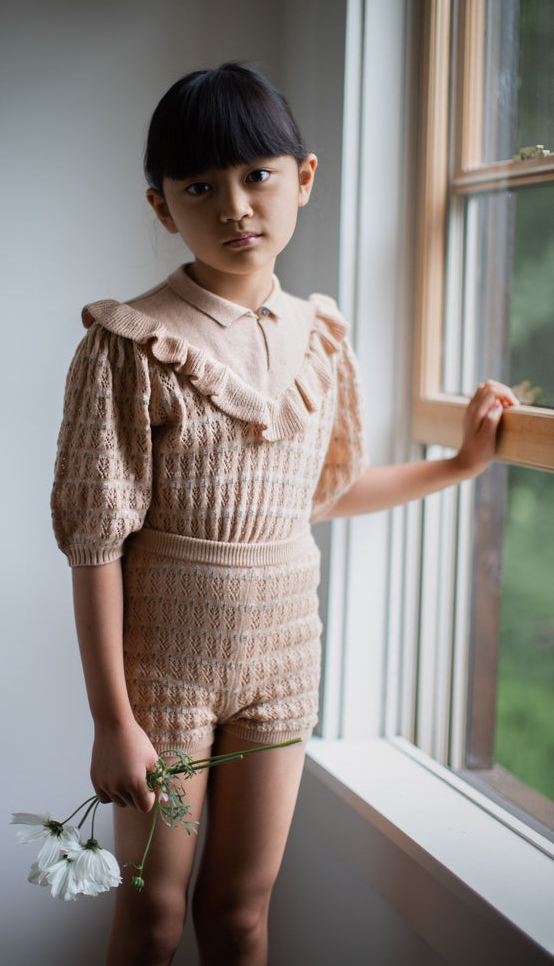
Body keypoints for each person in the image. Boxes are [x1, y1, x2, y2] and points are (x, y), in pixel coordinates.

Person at [51, 63, 516, 966]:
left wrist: (459, 465)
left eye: (256, 175)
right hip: (165, 671)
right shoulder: (129, 344)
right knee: (153, 912)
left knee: (240, 911)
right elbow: (94, 543)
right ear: (161, 207)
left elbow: (321, 496)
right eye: (198, 187)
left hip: (285, 661)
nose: (234, 206)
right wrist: (112, 721)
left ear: (302, 178)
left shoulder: (321, 337)